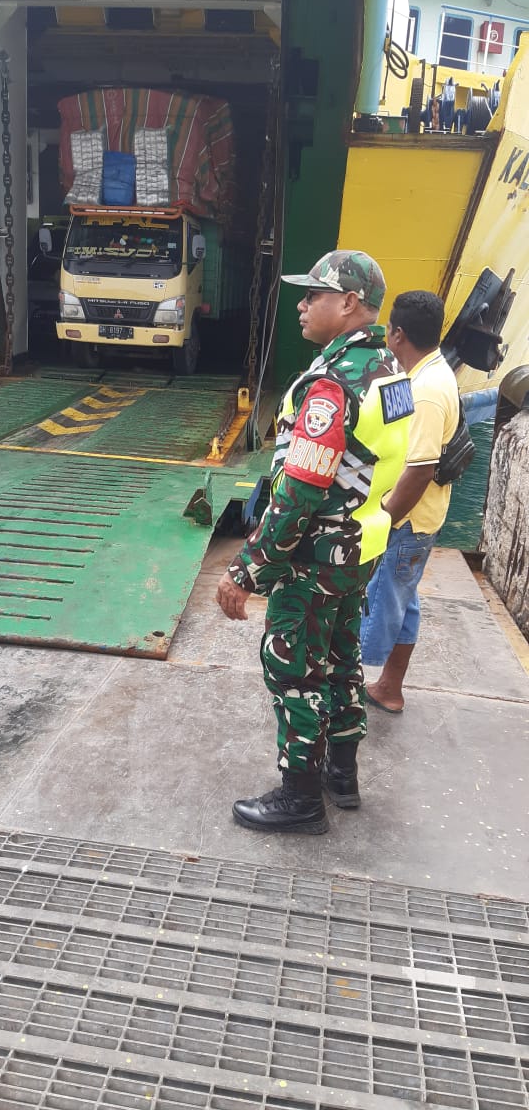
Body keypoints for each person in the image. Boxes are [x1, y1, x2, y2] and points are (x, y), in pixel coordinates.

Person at [216, 250, 414, 834]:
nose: (301, 306)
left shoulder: (332, 385)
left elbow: (300, 490)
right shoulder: (390, 371)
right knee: (341, 659)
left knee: (293, 668)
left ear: (349, 303)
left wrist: (247, 569)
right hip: (362, 548)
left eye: (313, 296)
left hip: (317, 554)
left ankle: (300, 798)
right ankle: (342, 777)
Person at [361, 290, 459, 713]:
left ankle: (349, 685)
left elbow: (419, 469)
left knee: (381, 602)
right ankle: (389, 688)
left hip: (407, 521)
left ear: (397, 334)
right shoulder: (425, 371)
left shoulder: (428, 390)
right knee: (404, 601)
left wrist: (381, 523)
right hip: (420, 517)